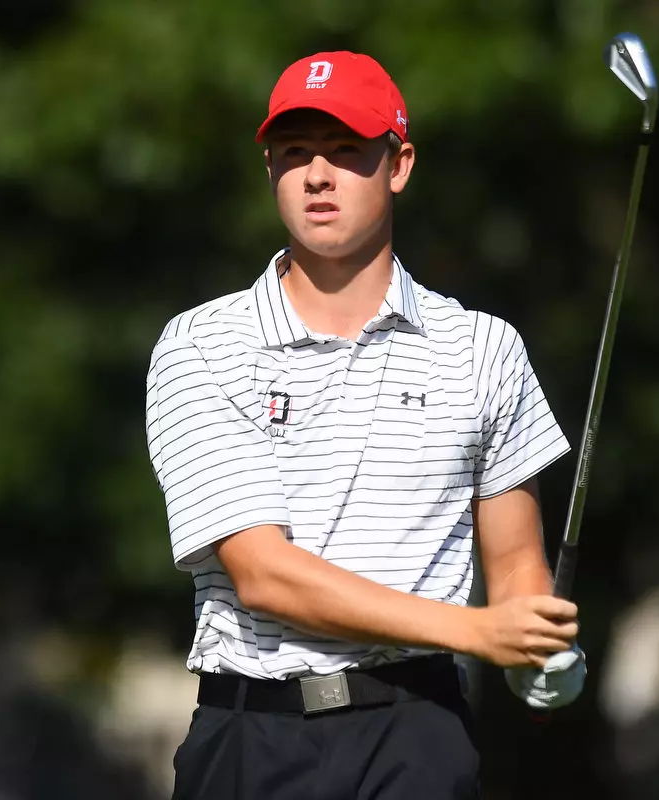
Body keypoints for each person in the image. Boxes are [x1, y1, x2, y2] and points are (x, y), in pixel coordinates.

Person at [144, 50, 587, 800]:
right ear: (270, 170)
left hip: (418, 734)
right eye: (294, 153)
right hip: (254, 739)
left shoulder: (485, 349)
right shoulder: (201, 344)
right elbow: (263, 574)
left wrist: (535, 648)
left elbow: (514, 562)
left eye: (346, 150)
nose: (317, 174)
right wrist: (478, 632)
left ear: (399, 164)